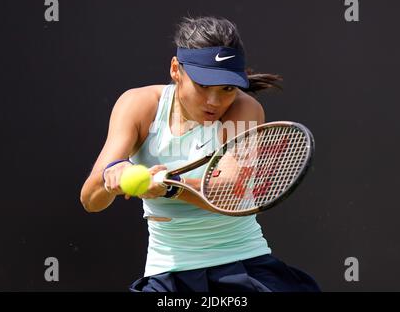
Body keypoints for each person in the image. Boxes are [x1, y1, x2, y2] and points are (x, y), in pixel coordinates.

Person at [80, 16, 320, 292]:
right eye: (203, 86)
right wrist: (113, 176)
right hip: (167, 276)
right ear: (175, 70)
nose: (214, 102)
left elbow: (230, 194)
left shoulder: (244, 110)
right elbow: (91, 200)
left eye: (227, 89)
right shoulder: (139, 106)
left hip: (242, 267)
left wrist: (170, 188)